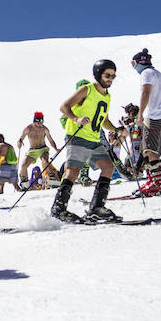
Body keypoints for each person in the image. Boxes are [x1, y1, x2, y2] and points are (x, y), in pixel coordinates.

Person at [52, 59, 127, 223]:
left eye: (113, 76)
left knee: (108, 166)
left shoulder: (107, 96)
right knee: (73, 171)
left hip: (94, 139)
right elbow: (64, 107)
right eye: (108, 75)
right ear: (98, 75)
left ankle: (97, 208)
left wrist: (116, 129)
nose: (110, 79)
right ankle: (59, 209)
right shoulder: (87, 89)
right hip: (78, 136)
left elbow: (104, 120)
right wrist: (76, 119)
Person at [131, 49, 161, 197]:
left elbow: (145, 93)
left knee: (150, 151)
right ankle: (153, 180)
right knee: (147, 150)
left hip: (153, 116)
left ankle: (158, 184)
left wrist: (140, 115)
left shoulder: (146, 74)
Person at [16, 112, 60, 185]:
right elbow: (20, 139)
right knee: (23, 166)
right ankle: (24, 183)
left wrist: (56, 149)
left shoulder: (44, 129)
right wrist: (19, 144)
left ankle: (53, 178)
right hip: (32, 151)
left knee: (45, 162)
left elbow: (51, 140)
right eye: (39, 123)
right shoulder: (28, 128)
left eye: (41, 123)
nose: (40, 125)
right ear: (34, 121)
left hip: (43, 149)